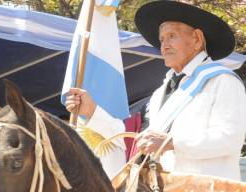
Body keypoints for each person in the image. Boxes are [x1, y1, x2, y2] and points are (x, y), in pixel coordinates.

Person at [66, 1, 246, 181]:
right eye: (162, 39)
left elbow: (230, 138)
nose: (164, 45)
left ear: (197, 39)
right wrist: (92, 112)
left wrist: (171, 142)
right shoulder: (161, 91)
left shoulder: (223, 82)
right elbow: (136, 138)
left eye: (171, 36)